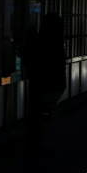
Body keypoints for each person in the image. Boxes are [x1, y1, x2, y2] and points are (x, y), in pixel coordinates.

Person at [25, 13, 67, 151]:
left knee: (38, 114)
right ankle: (37, 143)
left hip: (39, 83)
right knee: (44, 115)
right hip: (52, 85)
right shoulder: (57, 42)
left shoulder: (38, 40)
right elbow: (60, 66)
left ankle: (34, 142)